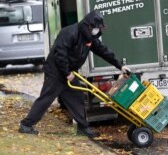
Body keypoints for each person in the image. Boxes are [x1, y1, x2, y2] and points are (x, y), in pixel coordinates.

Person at [19, 10, 130, 138]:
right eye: (95, 28)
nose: (97, 31)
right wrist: (66, 73)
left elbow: (103, 51)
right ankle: (26, 125)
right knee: (46, 98)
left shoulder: (89, 38)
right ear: (88, 26)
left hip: (69, 72)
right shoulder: (69, 33)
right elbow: (60, 54)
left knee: (76, 97)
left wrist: (120, 65)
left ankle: (83, 128)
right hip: (56, 71)